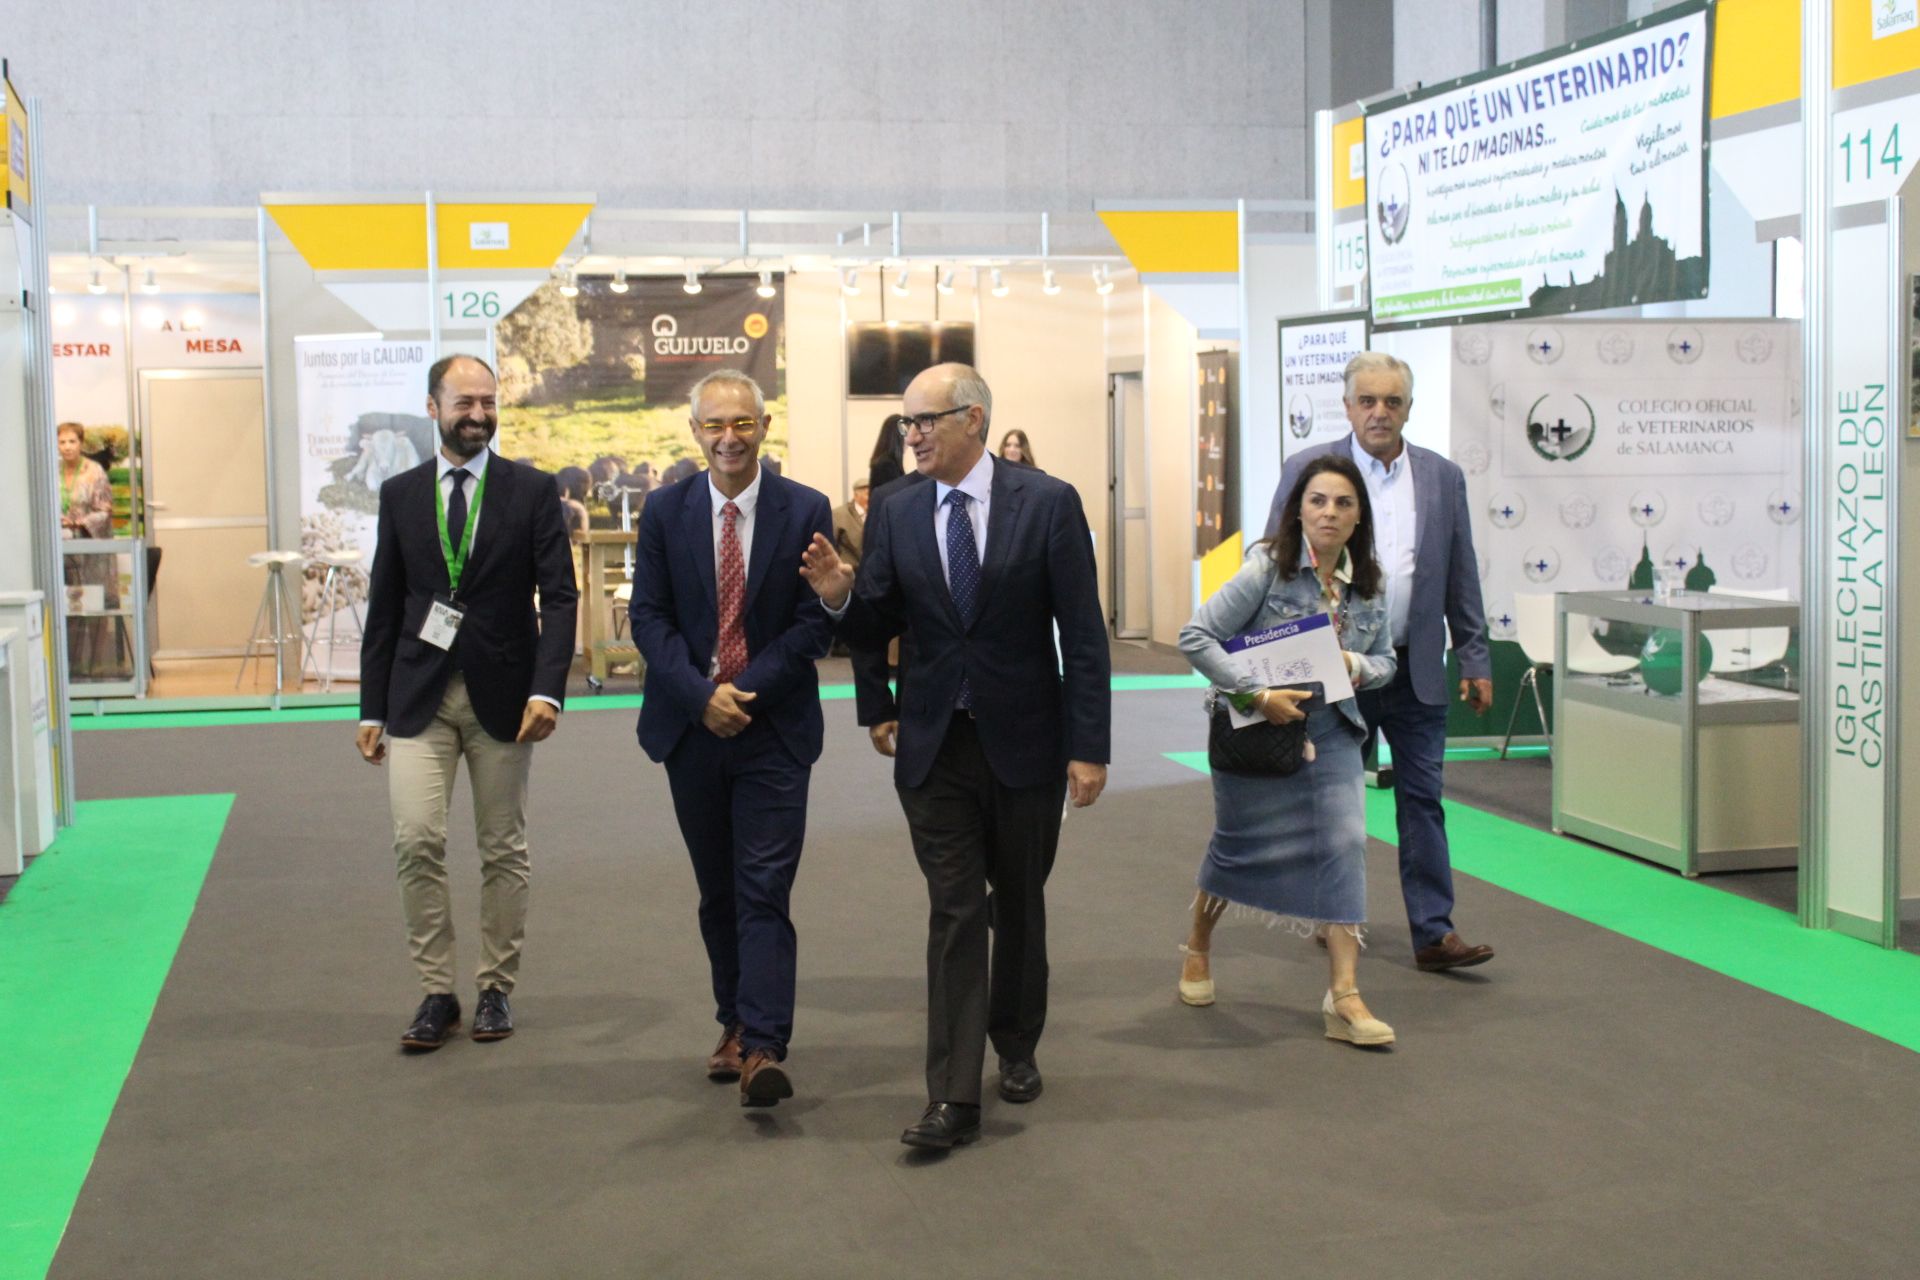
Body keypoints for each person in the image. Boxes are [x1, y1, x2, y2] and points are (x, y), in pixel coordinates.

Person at [800, 363, 1111, 1151]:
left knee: (1019, 902)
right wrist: (840, 596)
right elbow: (875, 622)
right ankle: (952, 1094)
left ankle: (1016, 1040)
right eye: (907, 425)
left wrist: (1089, 748)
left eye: (925, 422)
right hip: (936, 743)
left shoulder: (1048, 504)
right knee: (955, 909)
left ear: (974, 419)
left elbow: (1082, 634)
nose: (912, 437)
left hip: (1027, 743)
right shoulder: (899, 509)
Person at [357, 354, 579, 1052]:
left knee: (501, 847)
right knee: (416, 839)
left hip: (508, 699)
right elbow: (386, 606)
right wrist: (370, 707)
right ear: (433, 407)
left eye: (488, 402)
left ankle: (494, 989)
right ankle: (435, 991)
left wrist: (548, 688)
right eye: (464, 403)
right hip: (416, 696)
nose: (478, 414)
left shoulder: (532, 491)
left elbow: (561, 597)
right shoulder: (398, 495)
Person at [628, 369, 834, 1109]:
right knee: (718, 890)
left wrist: (744, 693)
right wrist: (699, 696)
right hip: (691, 729)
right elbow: (646, 618)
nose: (728, 438)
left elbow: (816, 621)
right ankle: (733, 1021)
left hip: (773, 726)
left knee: (763, 886)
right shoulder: (664, 511)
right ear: (694, 433)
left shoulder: (805, 507)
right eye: (714, 425)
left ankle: (764, 1045)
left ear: (764, 426)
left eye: (742, 424)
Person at [1265, 351, 1495, 973]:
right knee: (1336, 799)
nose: (1379, 413)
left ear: (1408, 409)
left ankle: (1433, 932)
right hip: (1338, 669)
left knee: (1423, 799)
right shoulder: (1309, 472)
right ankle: (1332, 910)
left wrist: (1474, 655)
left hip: (1416, 667)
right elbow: (1275, 568)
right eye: (1367, 401)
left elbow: (1460, 572)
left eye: (1392, 402)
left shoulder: (1443, 478)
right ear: (1347, 407)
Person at [1178, 455, 1399, 1045]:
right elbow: (1195, 636)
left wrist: (1356, 664)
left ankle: (1344, 996)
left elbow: (1387, 664)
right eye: (1319, 501)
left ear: (1358, 519)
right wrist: (1256, 694)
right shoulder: (1265, 569)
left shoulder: (1372, 585)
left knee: (1347, 843)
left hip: (1332, 733)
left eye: (1344, 503)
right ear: (1298, 510)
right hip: (1256, 732)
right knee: (1235, 849)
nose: (1330, 512)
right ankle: (1197, 945)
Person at [55, 422, 121, 678]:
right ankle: (69, 668)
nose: (67, 447)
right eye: (62, 442)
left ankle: (96, 667)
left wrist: (79, 523)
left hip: (91, 548)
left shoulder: (94, 471)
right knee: (68, 607)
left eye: (72, 441)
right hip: (62, 551)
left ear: (81, 443)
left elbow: (105, 510)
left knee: (95, 605)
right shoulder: (53, 470)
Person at [867, 412, 910, 495]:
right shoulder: (886, 465)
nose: (908, 440)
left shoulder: (884, 461)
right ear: (897, 436)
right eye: (905, 434)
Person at [832, 479, 870, 570]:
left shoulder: (877, 512)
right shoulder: (840, 514)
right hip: (848, 572)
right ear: (856, 495)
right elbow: (832, 545)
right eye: (868, 494)